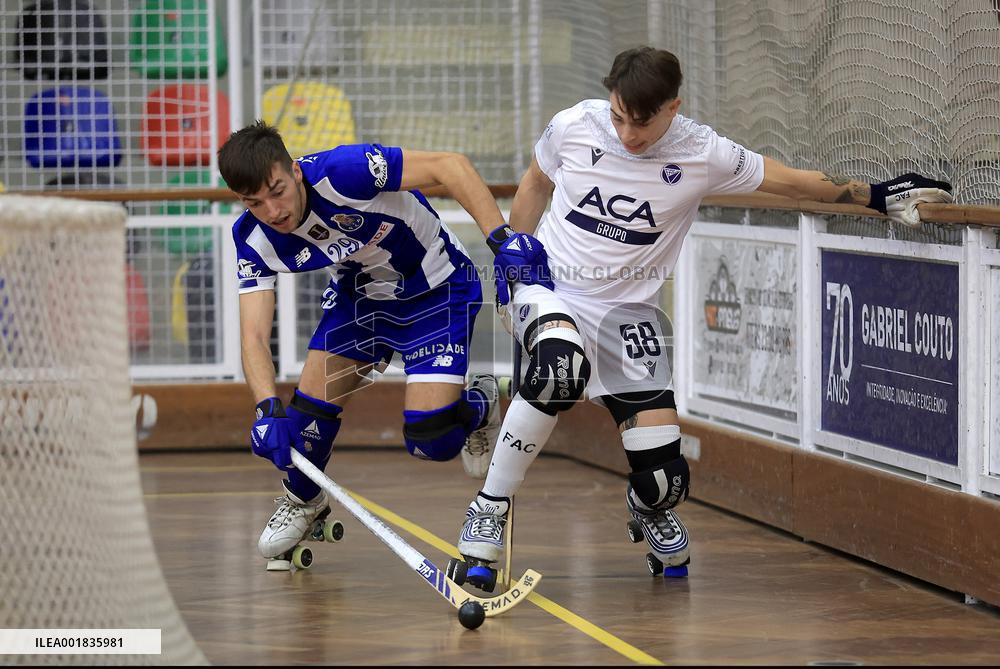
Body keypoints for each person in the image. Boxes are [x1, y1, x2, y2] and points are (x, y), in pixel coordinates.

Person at [455, 46, 953, 583]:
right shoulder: (575, 125)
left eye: (642, 123)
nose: (627, 135)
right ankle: (489, 508)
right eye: (619, 117)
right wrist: (513, 262)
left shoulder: (702, 152)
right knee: (561, 367)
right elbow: (536, 181)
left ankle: (647, 509)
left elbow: (790, 181)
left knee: (665, 479)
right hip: (551, 289)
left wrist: (875, 196)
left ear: (673, 108)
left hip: (626, 316)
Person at [218, 121, 505, 569]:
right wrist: (265, 408)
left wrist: (503, 242)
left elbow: (451, 166)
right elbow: (253, 335)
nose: (272, 211)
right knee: (300, 423)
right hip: (361, 301)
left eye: (277, 191)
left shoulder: (345, 171)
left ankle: (481, 404)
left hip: (436, 290)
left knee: (432, 440)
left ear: (295, 172)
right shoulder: (253, 239)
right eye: (254, 202)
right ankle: (304, 500)